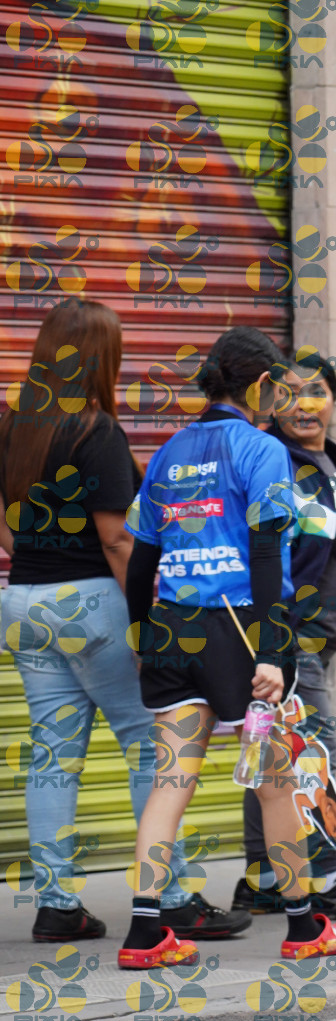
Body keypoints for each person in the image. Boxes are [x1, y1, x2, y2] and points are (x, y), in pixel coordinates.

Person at [120, 327, 336, 969]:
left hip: (171, 627)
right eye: (280, 387)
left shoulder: (169, 452)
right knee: (278, 784)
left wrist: (142, 635)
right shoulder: (262, 449)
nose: (285, 399)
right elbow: (265, 554)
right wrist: (274, 650)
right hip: (239, 630)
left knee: (170, 782)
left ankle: (144, 934)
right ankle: (305, 926)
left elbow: (141, 561)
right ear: (260, 385)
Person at [0, 298, 197, 943]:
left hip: (24, 601)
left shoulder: (12, 428)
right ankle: (170, 897)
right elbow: (117, 540)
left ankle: (57, 905)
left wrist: (41, 555)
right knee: (148, 744)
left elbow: (5, 530)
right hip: (91, 604)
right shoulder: (96, 432)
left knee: (53, 756)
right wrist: (144, 624)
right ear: (101, 359)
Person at [233, 353, 336, 921]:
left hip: (323, 641)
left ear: (334, 398)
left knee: (272, 757)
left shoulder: (333, 460)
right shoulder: (273, 459)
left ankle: (262, 878)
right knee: (313, 758)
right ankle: (329, 878)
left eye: (316, 392)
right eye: (289, 393)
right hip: (291, 639)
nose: (304, 405)